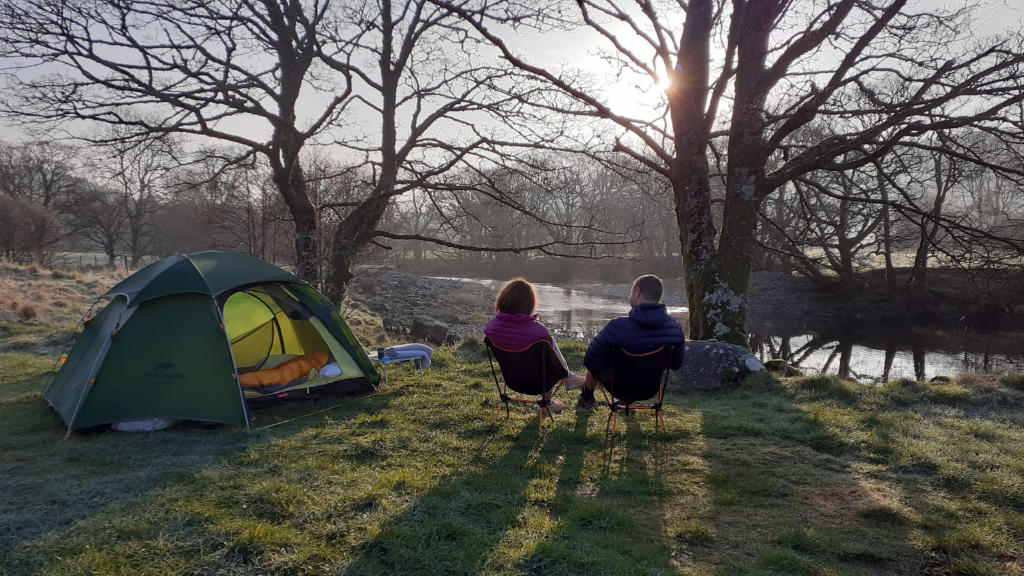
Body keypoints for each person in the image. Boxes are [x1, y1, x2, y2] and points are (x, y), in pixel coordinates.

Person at [578, 274, 685, 408]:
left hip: (618, 388)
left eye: (631, 292)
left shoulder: (616, 327)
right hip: (648, 389)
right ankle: (628, 401)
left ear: (637, 292)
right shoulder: (674, 328)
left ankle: (586, 398)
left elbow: (590, 361)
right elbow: (675, 364)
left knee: (595, 364)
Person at [484, 278, 587, 413]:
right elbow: (555, 364)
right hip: (538, 384)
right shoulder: (539, 332)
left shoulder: (491, 328)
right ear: (529, 304)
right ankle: (551, 398)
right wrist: (564, 373)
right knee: (547, 354)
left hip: (512, 381)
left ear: (503, 300)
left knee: (544, 350)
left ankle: (568, 379)